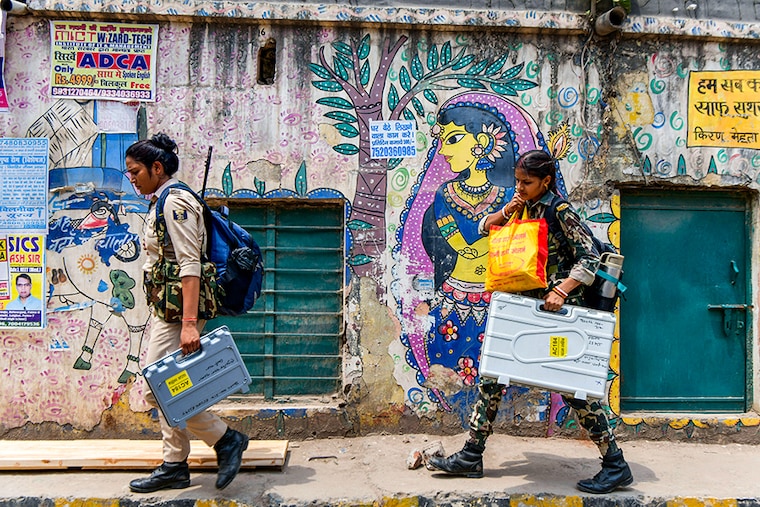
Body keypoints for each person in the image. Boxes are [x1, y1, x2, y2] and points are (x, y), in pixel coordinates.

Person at [427, 149, 633, 494]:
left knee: (575, 390)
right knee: (492, 378)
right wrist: (509, 207)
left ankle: (615, 464)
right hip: (526, 310)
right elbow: (484, 228)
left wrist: (563, 290)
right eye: (517, 181)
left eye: (527, 182)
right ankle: (471, 456)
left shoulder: (560, 211)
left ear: (546, 181)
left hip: (560, 313)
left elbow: (590, 257)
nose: (519, 186)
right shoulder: (521, 205)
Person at [125, 133, 249, 493]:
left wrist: (190, 325)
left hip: (180, 315)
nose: (131, 178)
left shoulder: (174, 203)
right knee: (172, 386)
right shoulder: (163, 199)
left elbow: (190, 265)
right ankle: (174, 464)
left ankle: (225, 439)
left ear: (157, 168)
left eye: (135, 171)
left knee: (156, 388)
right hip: (170, 311)